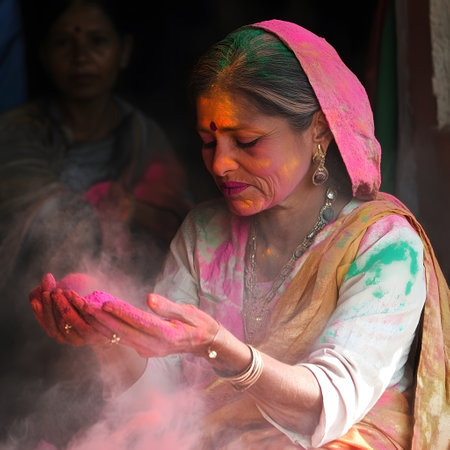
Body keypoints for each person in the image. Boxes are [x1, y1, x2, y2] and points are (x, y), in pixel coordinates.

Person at [29, 19, 449, 449]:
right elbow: (161, 391)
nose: (220, 164)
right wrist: (107, 335)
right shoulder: (204, 232)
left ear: (319, 132)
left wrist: (221, 349)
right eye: (208, 142)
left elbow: (327, 404)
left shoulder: (384, 245)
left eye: (246, 141)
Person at [0, 0, 191, 447]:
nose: (80, 55)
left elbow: (182, 227)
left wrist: (134, 213)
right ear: (43, 55)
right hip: (29, 325)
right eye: (64, 43)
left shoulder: (145, 137)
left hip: (122, 334)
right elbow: (28, 215)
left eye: (97, 42)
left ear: (123, 51)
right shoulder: (15, 133)